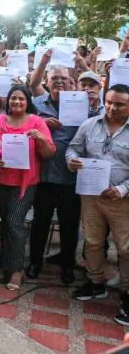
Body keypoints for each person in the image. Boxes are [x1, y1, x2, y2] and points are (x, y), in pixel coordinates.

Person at [67, 84, 129, 325]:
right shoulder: (90, 125)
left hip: (121, 201)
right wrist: (72, 161)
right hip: (91, 196)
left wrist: (122, 189)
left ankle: (127, 294)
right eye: (110, 102)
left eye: (120, 104)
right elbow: (73, 148)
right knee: (92, 242)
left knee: (125, 249)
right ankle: (95, 282)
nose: (113, 107)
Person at [27, 66, 87, 285]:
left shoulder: (81, 104)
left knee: (69, 226)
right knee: (39, 223)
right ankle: (35, 262)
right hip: (44, 177)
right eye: (55, 78)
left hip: (71, 178)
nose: (59, 82)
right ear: (47, 80)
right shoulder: (37, 104)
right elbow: (24, 124)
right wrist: (41, 123)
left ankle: (68, 266)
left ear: (71, 82)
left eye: (64, 78)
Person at [0, 85, 56, 290]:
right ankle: (5, 266)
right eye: (13, 98)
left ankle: (17, 271)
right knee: (5, 223)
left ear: (28, 101)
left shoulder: (37, 123)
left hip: (26, 183)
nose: (17, 102)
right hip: (3, 180)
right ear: (8, 100)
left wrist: (40, 139)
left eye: (21, 98)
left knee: (14, 222)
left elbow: (49, 153)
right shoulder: (0, 120)